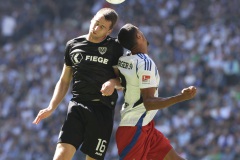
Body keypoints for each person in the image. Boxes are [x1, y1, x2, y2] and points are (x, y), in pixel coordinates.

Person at [33, 8, 123, 160]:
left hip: (102, 110)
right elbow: (64, 80)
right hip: (77, 106)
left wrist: (113, 82)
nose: (96, 28)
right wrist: (51, 106)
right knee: (60, 156)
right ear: (92, 19)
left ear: (109, 31)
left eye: (102, 27)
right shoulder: (73, 45)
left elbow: (123, 81)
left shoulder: (114, 47)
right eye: (96, 23)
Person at [116, 23, 197, 160]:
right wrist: (181, 97)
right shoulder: (145, 63)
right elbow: (149, 102)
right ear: (138, 35)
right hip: (135, 128)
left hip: (145, 126)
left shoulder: (124, 59)